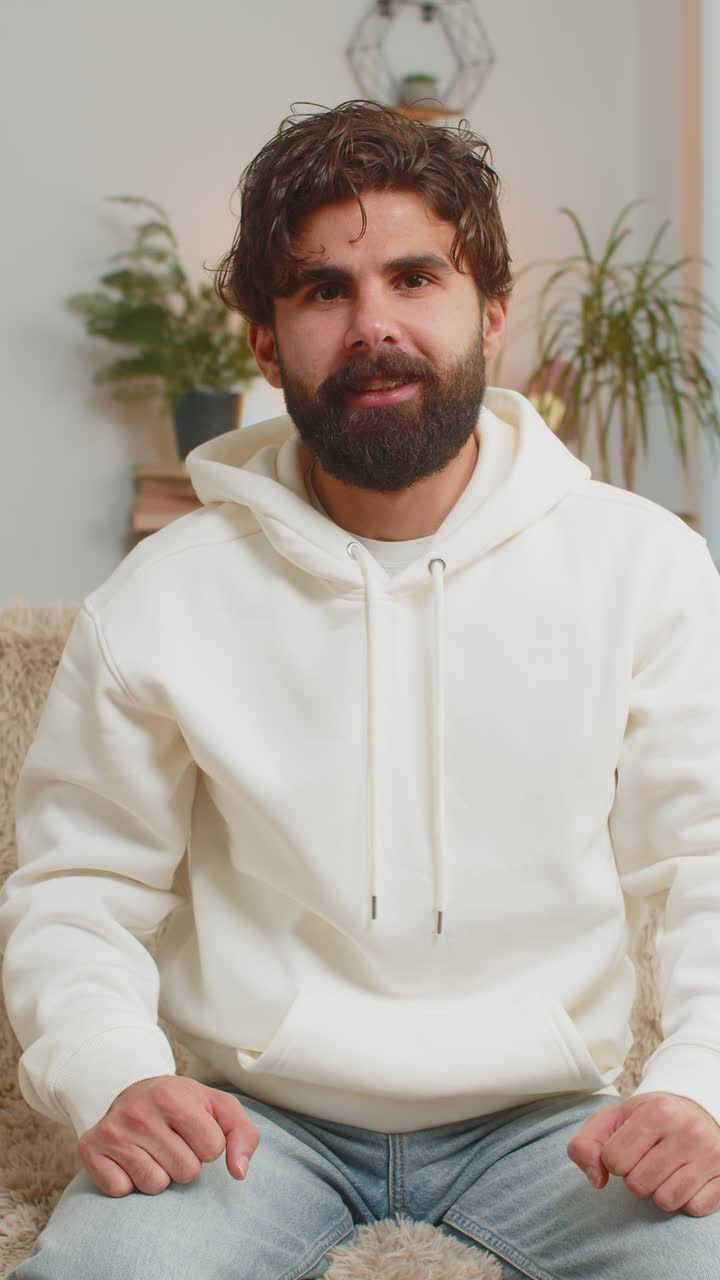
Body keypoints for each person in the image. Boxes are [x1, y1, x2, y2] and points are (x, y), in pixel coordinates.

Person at [2, 99, 720, 1280]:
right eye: (323, 290)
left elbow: (704, 859)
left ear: (491, 310)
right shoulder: (161, 598)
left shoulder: (640, 565)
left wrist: (691, 1085)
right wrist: (117, 1071)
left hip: (556, 1125)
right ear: (264, 341)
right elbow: (77, 885)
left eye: (414, 277)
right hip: (251, 1123)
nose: (373, 323)